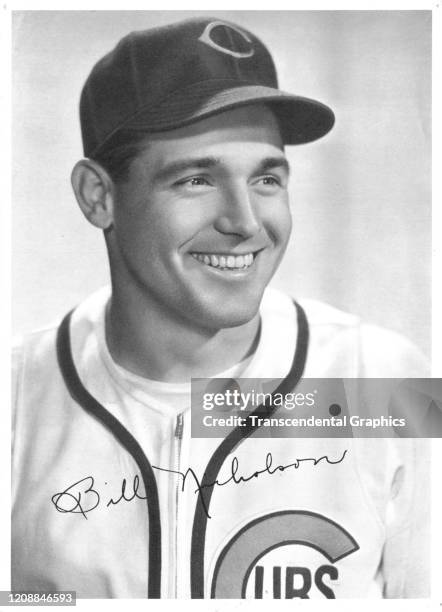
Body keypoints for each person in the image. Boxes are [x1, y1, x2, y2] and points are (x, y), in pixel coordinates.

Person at [12, 17, 430, 599]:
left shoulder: (381, 384)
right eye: (195, 180)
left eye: (266, 180)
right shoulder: (14, 398)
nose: (246, 222)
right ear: (99, 196)